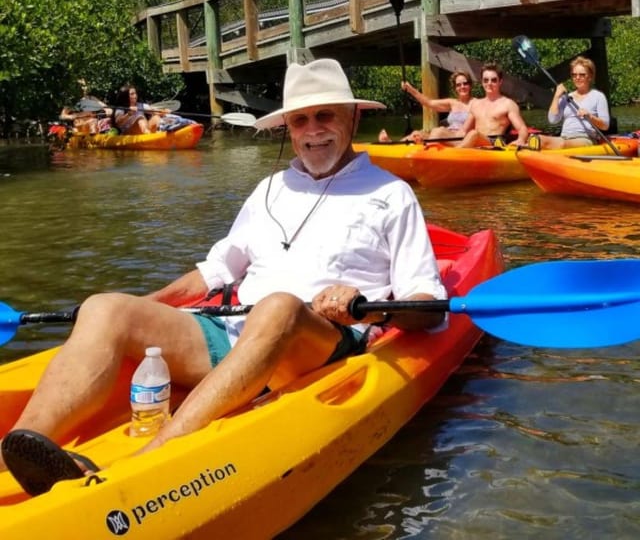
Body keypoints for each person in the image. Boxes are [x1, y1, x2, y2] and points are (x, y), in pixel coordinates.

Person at [0, 58, 448, 496]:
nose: (312, 131)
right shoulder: (268, 190)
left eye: (324, 115)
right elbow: (214, 273)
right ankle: (20, 451)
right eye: (300, 120)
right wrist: (138, 309)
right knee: (105, 306)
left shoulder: (392, 195)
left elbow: (426, 303)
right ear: (287, 128)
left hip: (315, 343)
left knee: (278, 305)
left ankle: (151, 461)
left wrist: (371, 308)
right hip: (230, 334)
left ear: (352, 117)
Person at [529, 56, 610, 150]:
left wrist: (590, 117)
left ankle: (542, 144)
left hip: (585, 139)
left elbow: (605, 126)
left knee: (557, 143)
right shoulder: (566, 97)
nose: (577, 77)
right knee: (539, 139)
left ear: (590, 76)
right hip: (564, 137)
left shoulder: (598, 96)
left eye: (582, 74)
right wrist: (556, 96)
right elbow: (553, 120)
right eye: (574, 75)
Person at [378, 71, 476, 143]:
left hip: (460, 140)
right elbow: (429, 103)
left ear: (470, 85)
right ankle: (393, 144)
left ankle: (426, 147)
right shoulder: (452, 102)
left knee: (439, 131)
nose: (462, 87)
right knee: (416, 133)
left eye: (465, 83)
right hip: (446, 135)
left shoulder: (476, 103)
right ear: (455, 88)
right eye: (458, 85)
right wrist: (411, 89)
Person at [455, 62, 529, 148]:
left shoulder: (508, 104)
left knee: (474, 134)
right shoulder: (475, 104)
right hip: (475, 143)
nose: (489, 83)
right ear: (482, 82)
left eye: (493, 80)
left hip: (494, 144)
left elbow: (522, 128)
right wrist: (448, 135)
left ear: (500, 82)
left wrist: (521, 140)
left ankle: (453, 155)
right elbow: (464, 130)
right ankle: (444, 154)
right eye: (486, 80)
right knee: (440, 131)